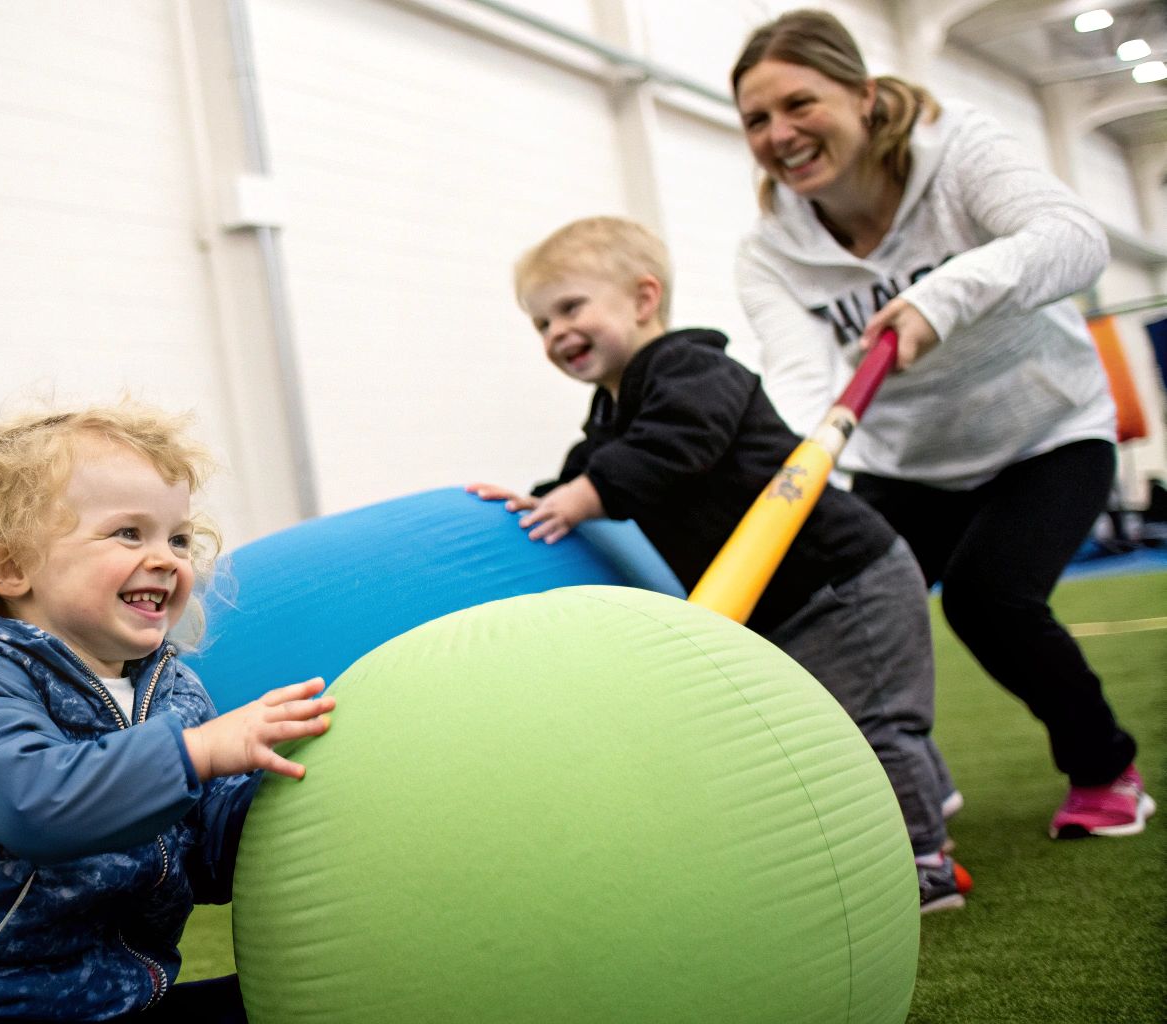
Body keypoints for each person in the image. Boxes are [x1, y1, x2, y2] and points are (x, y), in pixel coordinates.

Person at [731, 9, 1152, 839]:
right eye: (756, 119)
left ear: (861, 93)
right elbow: (799, 375)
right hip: (907, 460)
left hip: (1047, 430)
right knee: (831, 607)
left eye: (799, 104)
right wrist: (786, 456)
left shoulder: (959, 150)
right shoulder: (769, 251)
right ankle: (910, 782)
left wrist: (939, 297)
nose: (780, 134)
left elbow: (1074, 240)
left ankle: (1106, 769)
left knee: (988, 597)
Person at [468, 215, 968, 911]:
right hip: (785, 597)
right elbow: (590, 465)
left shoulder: (692, 368)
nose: (556, 334)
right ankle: (933, 797)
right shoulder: (612, 409)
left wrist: (583, 498)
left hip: (845, 578)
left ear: (644, 299)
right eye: (541, 324)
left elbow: (679, 444)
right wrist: (542, 500)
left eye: (570, 308)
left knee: (875, 720)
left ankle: (924, 860)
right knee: (858, 711)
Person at [0, 403, 335, 1023]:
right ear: (12, 567)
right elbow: (37, 804)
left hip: (98, 1002)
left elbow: (210, 855)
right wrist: (198, 753)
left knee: (307, 1004)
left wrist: (299, 792)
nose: (167, 558)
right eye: (127, 533)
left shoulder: (173, 691)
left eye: (178, 538)